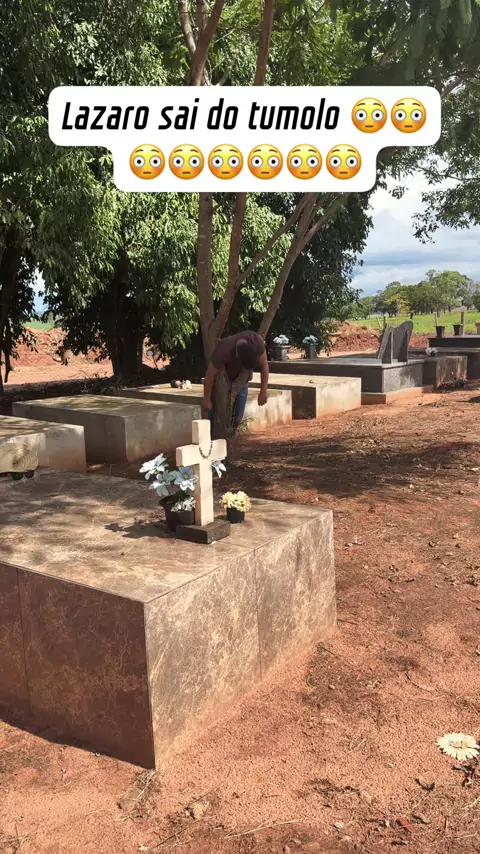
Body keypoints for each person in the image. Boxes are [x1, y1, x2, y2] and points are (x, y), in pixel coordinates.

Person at [202, 330, 269, 434]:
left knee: (238, 416)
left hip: (241, 381)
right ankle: (213, 436)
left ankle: (231, 435)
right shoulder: (223, 351)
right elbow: (209, 376)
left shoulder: (256, 340)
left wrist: (263, 391)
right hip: (224, 380)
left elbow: (264, 365)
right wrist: (206, 399)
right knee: (216, 413)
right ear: (237, 356)